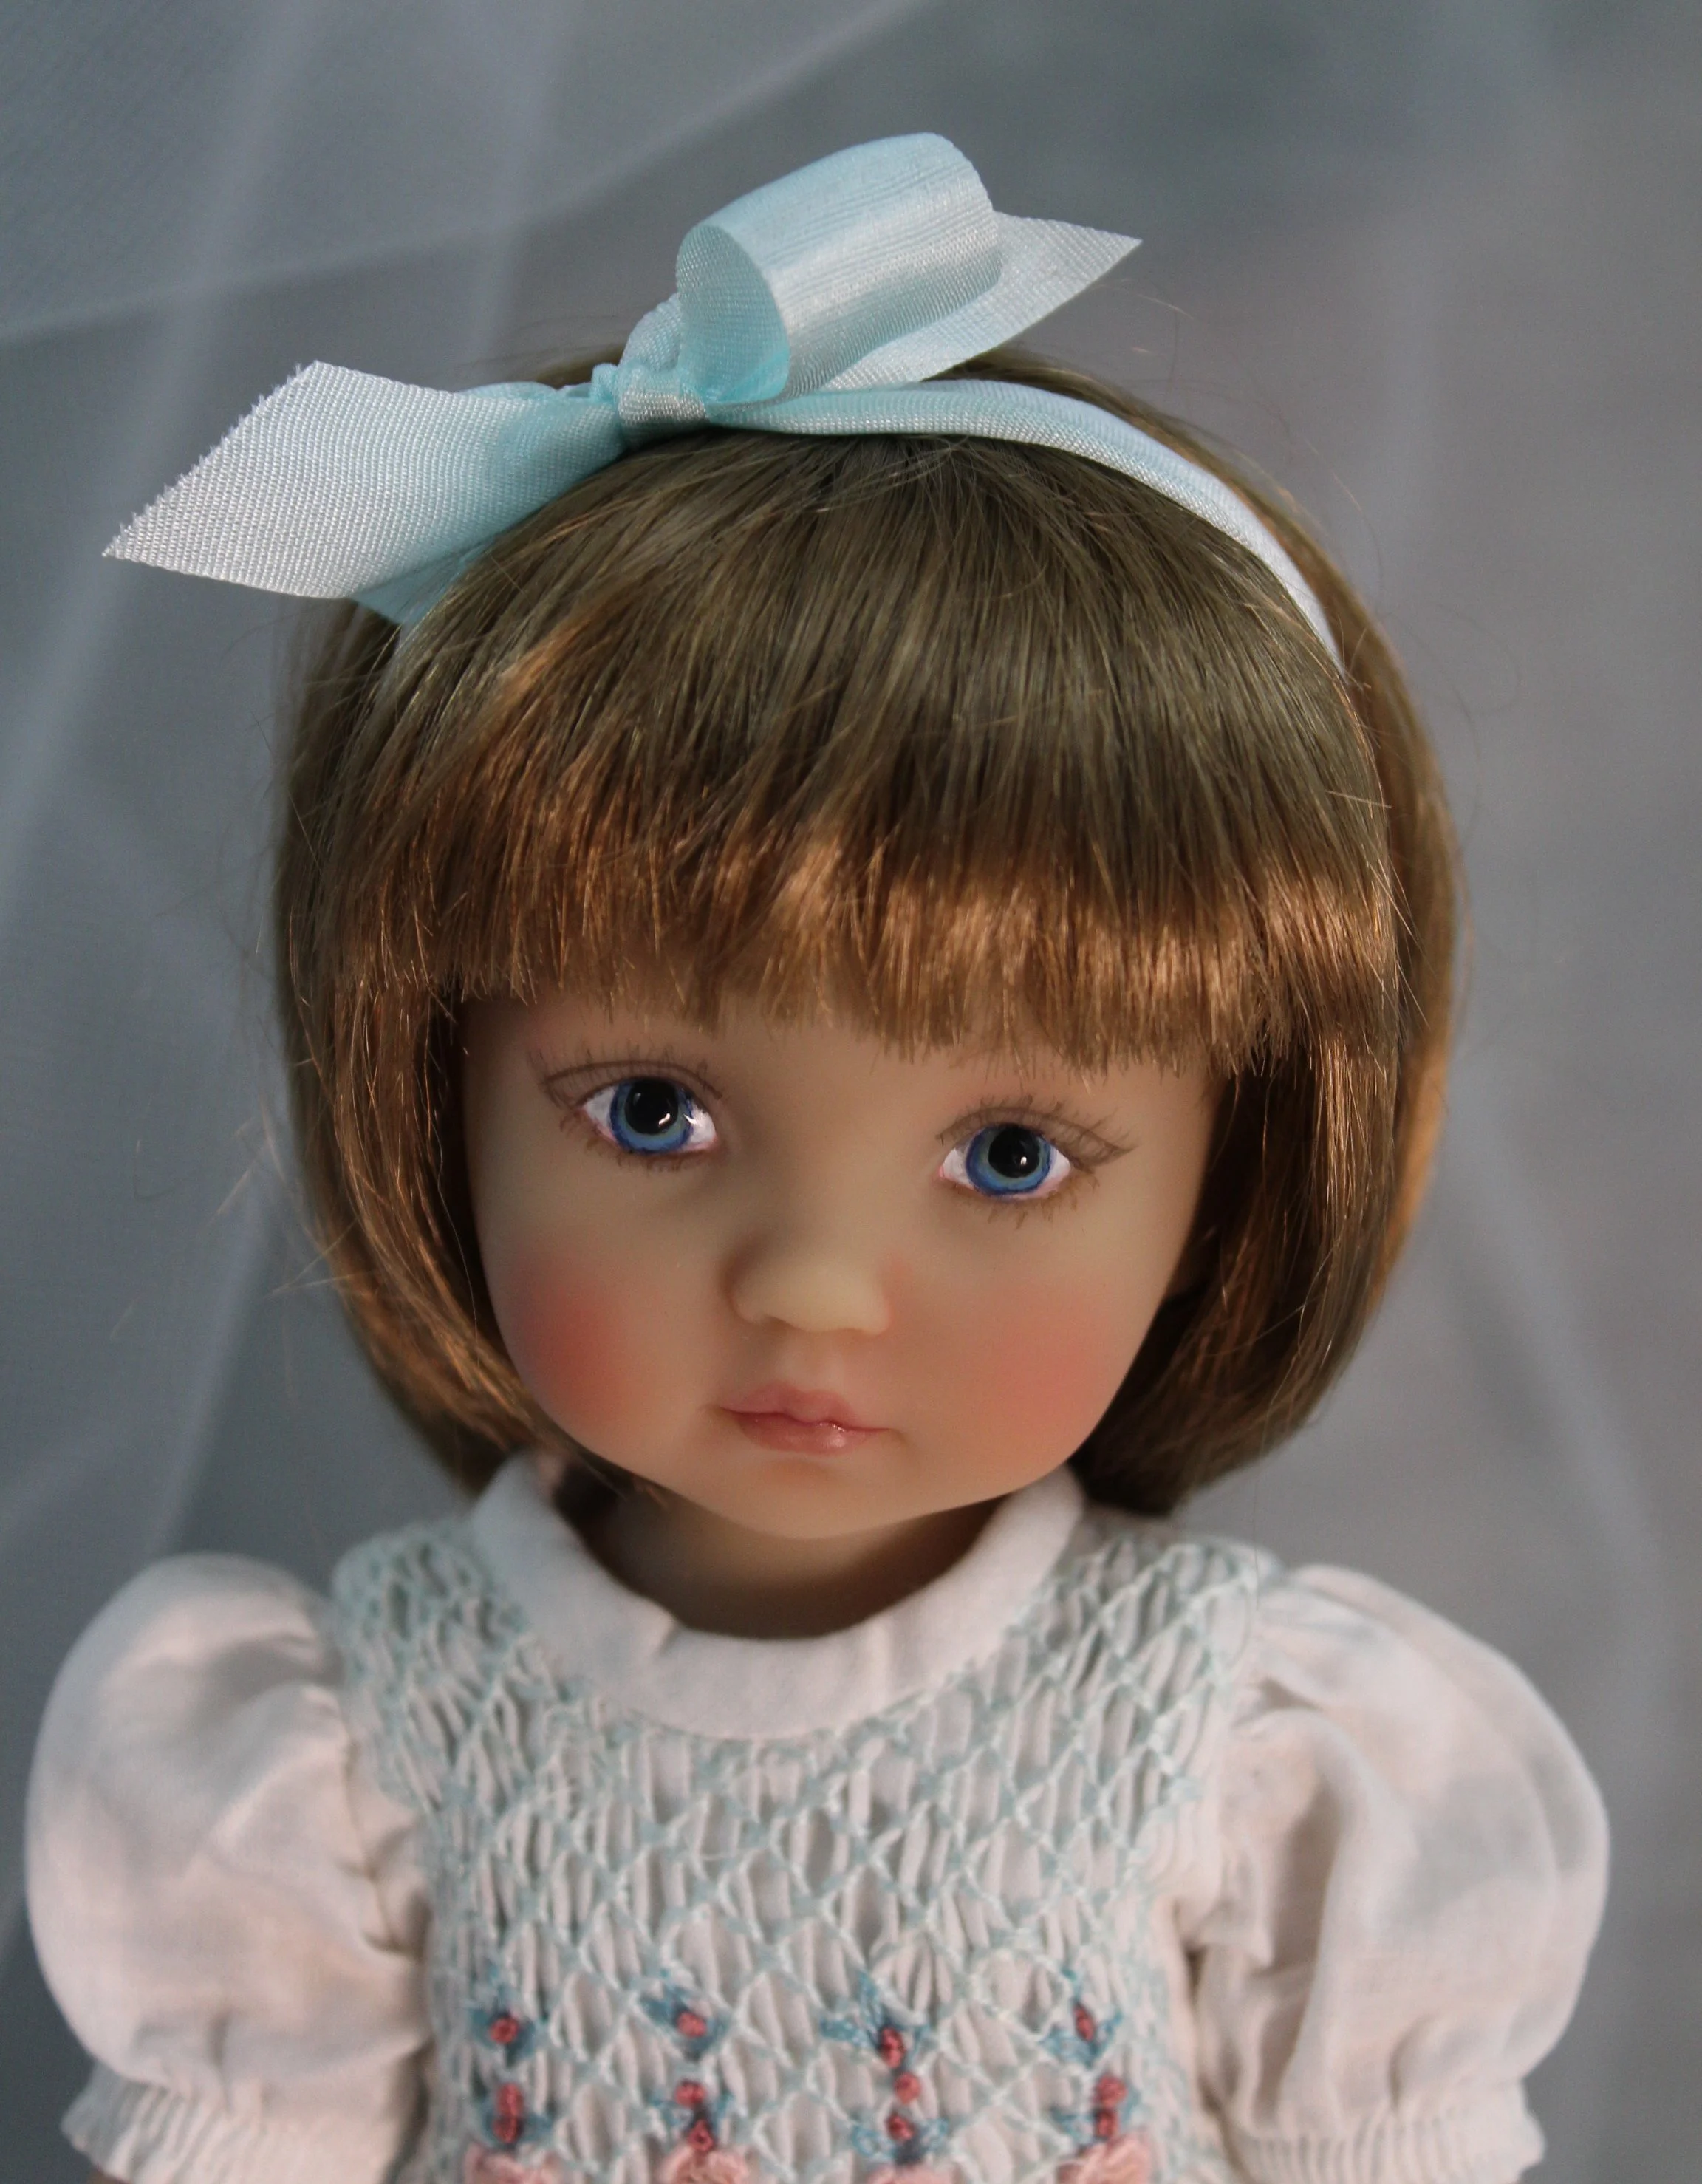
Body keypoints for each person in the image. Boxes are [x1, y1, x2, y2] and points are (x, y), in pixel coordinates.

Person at [26, 136, 1606, 2184]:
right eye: (652, 1115)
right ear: (432, 1092)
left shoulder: (1259, 1756)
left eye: (1012, 1153)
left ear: (1230, 1184)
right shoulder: (332, 1762)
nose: (812, 1280)